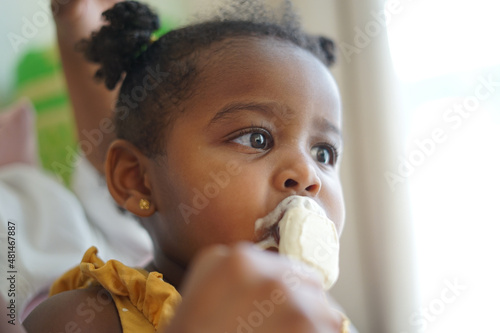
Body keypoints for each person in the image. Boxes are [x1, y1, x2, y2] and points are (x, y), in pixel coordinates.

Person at [22, 1, 352, 332]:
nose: (308, 175)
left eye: (323, 153)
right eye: (256, 139)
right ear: (137, 180)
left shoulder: (327, 320)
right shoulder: (85, 317)